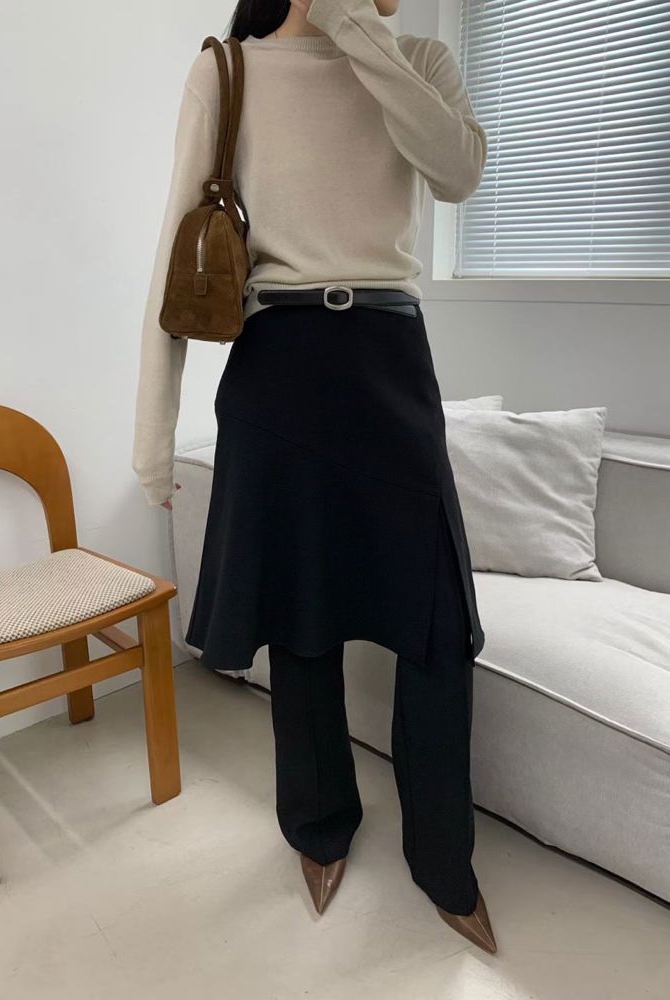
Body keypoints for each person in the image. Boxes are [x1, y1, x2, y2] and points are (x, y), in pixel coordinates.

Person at [132, 0, 496, 955]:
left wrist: (355, 28)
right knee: (301, 616)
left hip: (390, 359)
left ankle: (444, 860)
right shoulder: (228, 71)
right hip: (277, 364)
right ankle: (319, 826)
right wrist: (153, 437)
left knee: (436, 622)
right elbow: (173, 254)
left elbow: (457, 173)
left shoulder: (419, 62)